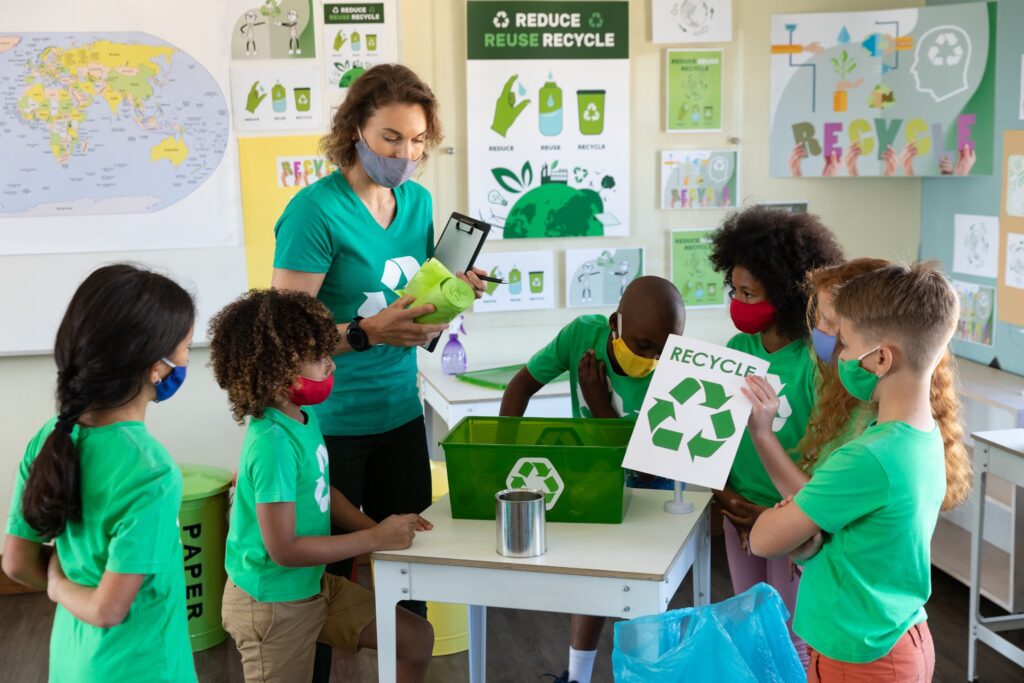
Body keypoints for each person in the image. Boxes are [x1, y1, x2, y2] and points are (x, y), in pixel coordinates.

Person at [270, 62, 485, 679]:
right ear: (355, 130)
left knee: (405, 565)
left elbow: (418, 303)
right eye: (391, 138)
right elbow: (284, 342)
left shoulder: (416, 203)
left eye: (418, 140)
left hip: (398, 412)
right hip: (327, 422)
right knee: (323, 581)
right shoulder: (315, 213)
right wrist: (366, 333)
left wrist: (450, 300)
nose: (406, 153)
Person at [749, 262, 972, 682]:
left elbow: (763, 540)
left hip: (860, 656)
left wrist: (790, 520)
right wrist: (808, 534)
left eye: (846, 345)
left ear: (882, 358)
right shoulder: (921, 437)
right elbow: (859, 542)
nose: (840, 355)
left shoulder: (868, 457)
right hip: (896, 637)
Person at [208, 289, 434, 683]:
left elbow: (323, 495)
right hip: (273, 605)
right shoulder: (273, 444)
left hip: (311, 586)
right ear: (278, 371)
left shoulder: (303, 418)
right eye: (317, 357)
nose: (331, 364)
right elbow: (284, 550)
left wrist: (387, 529)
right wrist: (375, 539)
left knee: (415, 638)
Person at [2, 264, 197, 682]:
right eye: (184, 346)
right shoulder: (152, 471)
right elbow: (108, 610)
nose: (186, 359)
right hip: (142, 667)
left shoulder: (50, 437)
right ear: (154, 365)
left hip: (73, 662)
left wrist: (59, 576)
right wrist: (56, 583)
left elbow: (16, 563)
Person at [502, 276, 686, 683]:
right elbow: (520, 386)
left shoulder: (673, 372)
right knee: (590, 582)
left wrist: (600, 407)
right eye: (644, 346)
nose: (654, 358)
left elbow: (649, 466)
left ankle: (643, 675)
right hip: (593, 481)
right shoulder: (582, 336)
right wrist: (503, 454)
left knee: (640, 595)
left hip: (649, 493)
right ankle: (578, 676)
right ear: (614, 323)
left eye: (666, 349)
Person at [708, 205, 845, 666]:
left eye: (750, 293)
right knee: (749, 618)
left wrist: (788, 516)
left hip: (793, 515)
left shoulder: (816, 360)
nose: (738, 303)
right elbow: (719, 434)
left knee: (792, 628)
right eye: (735, 290)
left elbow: (827, 448)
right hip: (740, 509)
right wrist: (727, 499)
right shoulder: (736, 350)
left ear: (786, 294)